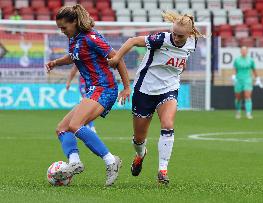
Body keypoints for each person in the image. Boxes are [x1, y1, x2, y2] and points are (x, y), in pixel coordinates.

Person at [108, 11, 203, 184]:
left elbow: (182, 59)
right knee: (139, 139)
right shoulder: (160, 39)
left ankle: (162, 170)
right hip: (144, 90)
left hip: (168, 89)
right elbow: (132, 41)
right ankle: (140, 154)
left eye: (180, 35)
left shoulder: (192, 42)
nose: (176, 37)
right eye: (174, 33)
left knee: (167, 124)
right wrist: (117, 57)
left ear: (189, 34)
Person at [45, 4, 131, 186]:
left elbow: (117, 58)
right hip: (93, 89)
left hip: (105, 88)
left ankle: (111, 160)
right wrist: (56, 62)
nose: (62, 31)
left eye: (64, 27)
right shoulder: (74, 38)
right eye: (59, 28)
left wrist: (126, 87)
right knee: (62, 128)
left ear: (74, 22)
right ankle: (75, 162)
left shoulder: (91, 37)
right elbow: (73, 56)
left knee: (76, 124)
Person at [232, 46, 263, 119]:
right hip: (239, 80)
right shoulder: (237, 60)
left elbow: (254, 70)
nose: (243, 51)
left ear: (247, 51)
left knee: (247, 96)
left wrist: (257, 78)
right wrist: (233, 76)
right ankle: (238, 112)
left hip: (248, 79)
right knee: (238, 97)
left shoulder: (250, 60)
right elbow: (234, 69)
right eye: (242, 50)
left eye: (245, 50)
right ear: (240, 51)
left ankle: (248, 113)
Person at [66, 64, 96, 132]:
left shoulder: (94, 56)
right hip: (84, 83)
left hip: (94, 83)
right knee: (87, 104)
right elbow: (74, 69)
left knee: (89, 105)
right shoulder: (79, 55)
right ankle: (90, 126)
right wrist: (68, 82)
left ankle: (87, 125)